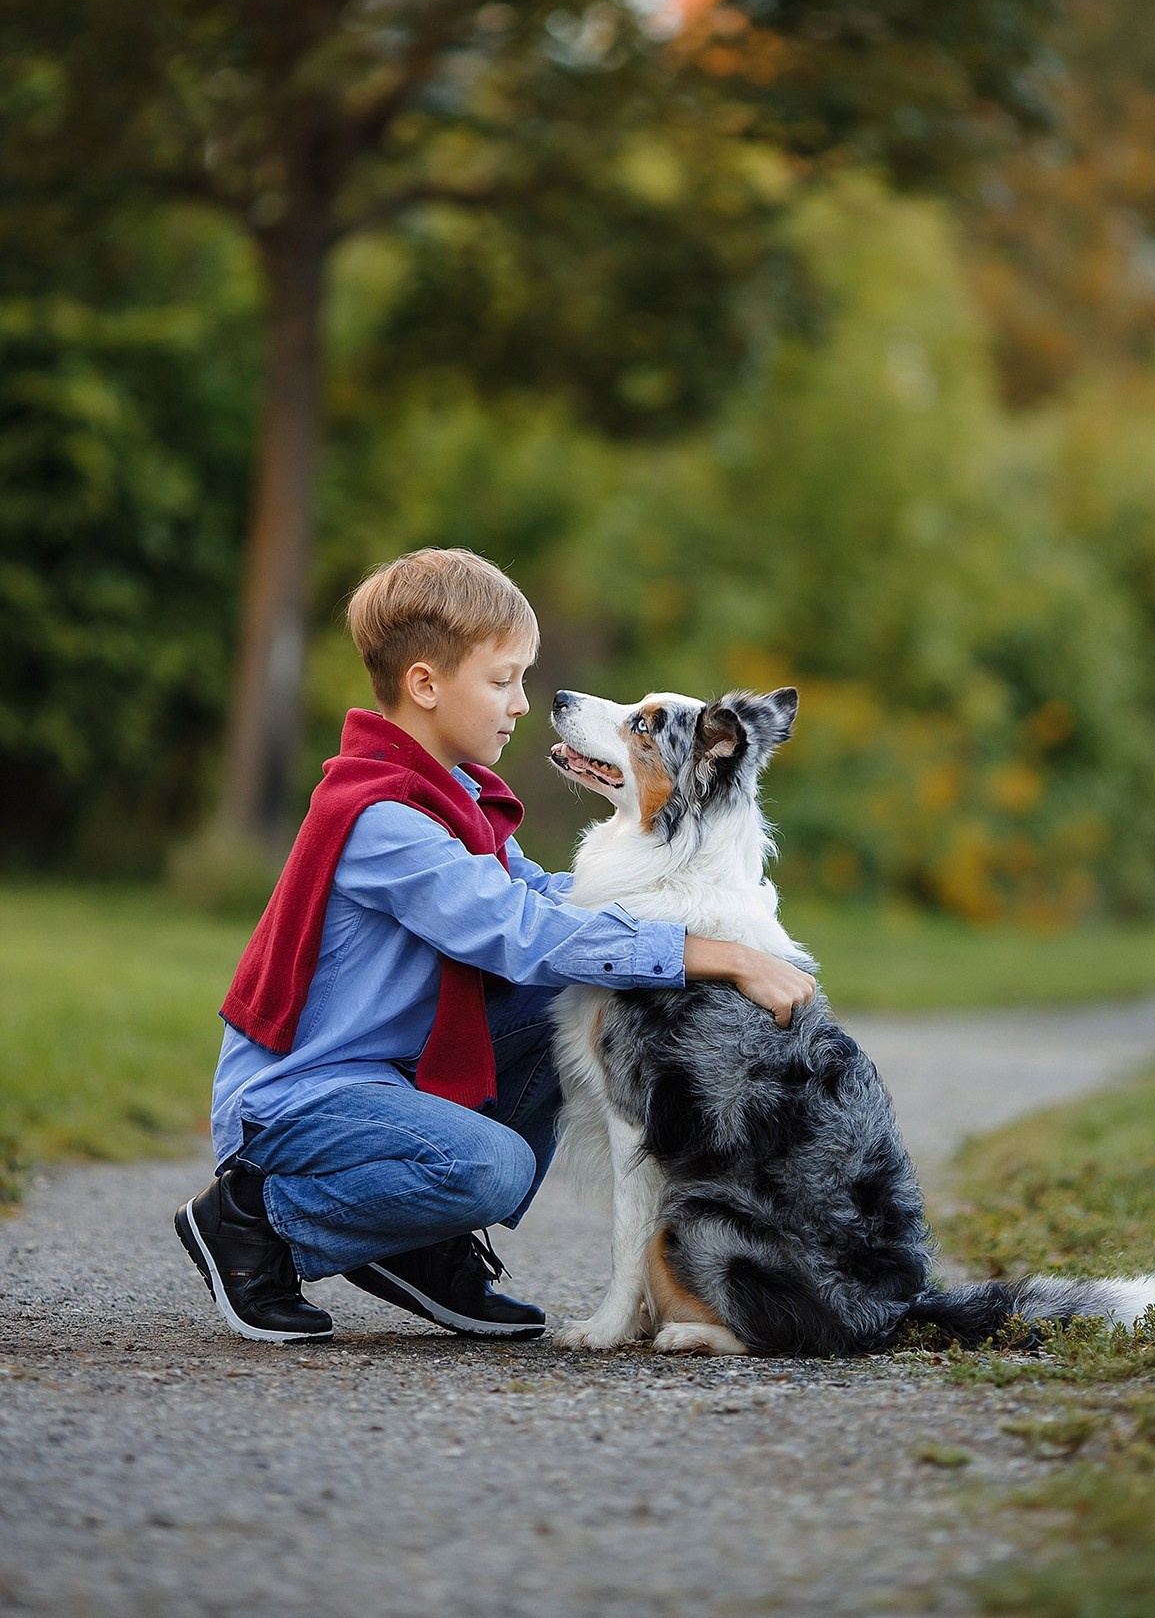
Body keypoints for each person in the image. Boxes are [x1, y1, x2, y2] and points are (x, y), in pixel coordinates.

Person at [175, 546, 815, 1345]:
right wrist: (712, 955)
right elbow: (516, 931)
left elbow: (544, 898)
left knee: (584, 996)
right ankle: (255, 1223)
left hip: (393, 1083)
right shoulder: (382, 821)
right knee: (491, 1166)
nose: (521, 702)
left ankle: (417, 1241)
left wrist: (711, 925)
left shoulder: (460, 798)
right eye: (503, 679)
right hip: (306, 1100)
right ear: (425, 685)